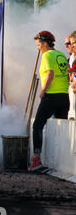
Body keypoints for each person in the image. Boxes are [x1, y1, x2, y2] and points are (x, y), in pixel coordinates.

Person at [31, 31, 69, 171]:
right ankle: (63, 162)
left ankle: (36, 160)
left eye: (39, 44)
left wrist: (43, 91)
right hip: (64, 96)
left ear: (45, 43)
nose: (38, 48)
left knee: (37, 126)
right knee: (62, 129)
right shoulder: (60, 54)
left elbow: (50, 74)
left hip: (51, 96)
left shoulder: (47, 55)